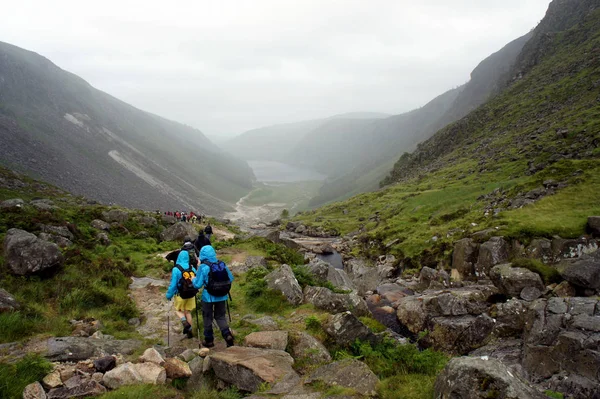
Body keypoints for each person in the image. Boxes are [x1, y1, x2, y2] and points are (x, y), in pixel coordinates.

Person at [192, 245, 234, 348]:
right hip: (222, 296)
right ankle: (227, 335)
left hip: (208, 297)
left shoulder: (203, 267)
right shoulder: (221, 264)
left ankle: (209, 341)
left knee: (207, 318)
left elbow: (197, 285)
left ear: (202, 254)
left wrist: (193, 278)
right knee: (220, 317)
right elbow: (231, 278)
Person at [165, 250, 198, 339]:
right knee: (188, 312)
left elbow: (173, 284)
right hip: (191, 293)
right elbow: (196, 279)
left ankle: (184, 322)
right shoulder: (192, 267)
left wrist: (169, 295)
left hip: (180, 294)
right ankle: (189, 331)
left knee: (178, 311)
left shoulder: (176, 269)